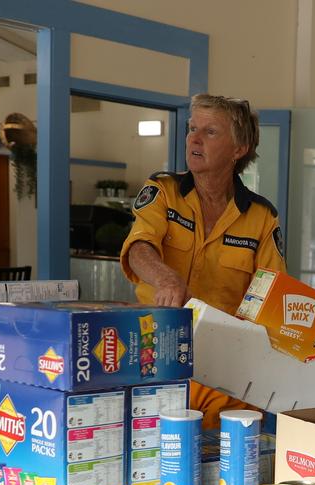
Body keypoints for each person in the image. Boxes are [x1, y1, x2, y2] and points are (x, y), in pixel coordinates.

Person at [119, 94, 286, 427]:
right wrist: (165, 278)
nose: (194, 138)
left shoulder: (262, 216)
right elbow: (138, 248)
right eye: (192, 128)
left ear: (239, 149)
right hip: (154, 358)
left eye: (210, 132)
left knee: (230, 462)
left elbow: (272, 297)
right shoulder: (163, 191)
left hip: (225, 369)